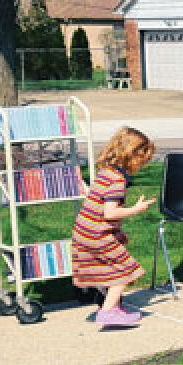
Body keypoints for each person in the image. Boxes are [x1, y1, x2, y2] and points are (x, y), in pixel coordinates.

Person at [71, 127, 156, 328]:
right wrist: (136, 209)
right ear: (131, 155)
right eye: (142, 160)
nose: (142, 165)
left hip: (85, 231)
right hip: (96, 235)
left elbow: (98, 210)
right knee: (124, 271)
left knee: (109, 269)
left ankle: (113, 307)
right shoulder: (117, 180)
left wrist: (116, 233)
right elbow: (109, 213)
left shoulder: (105, 173)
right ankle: (108, 312)